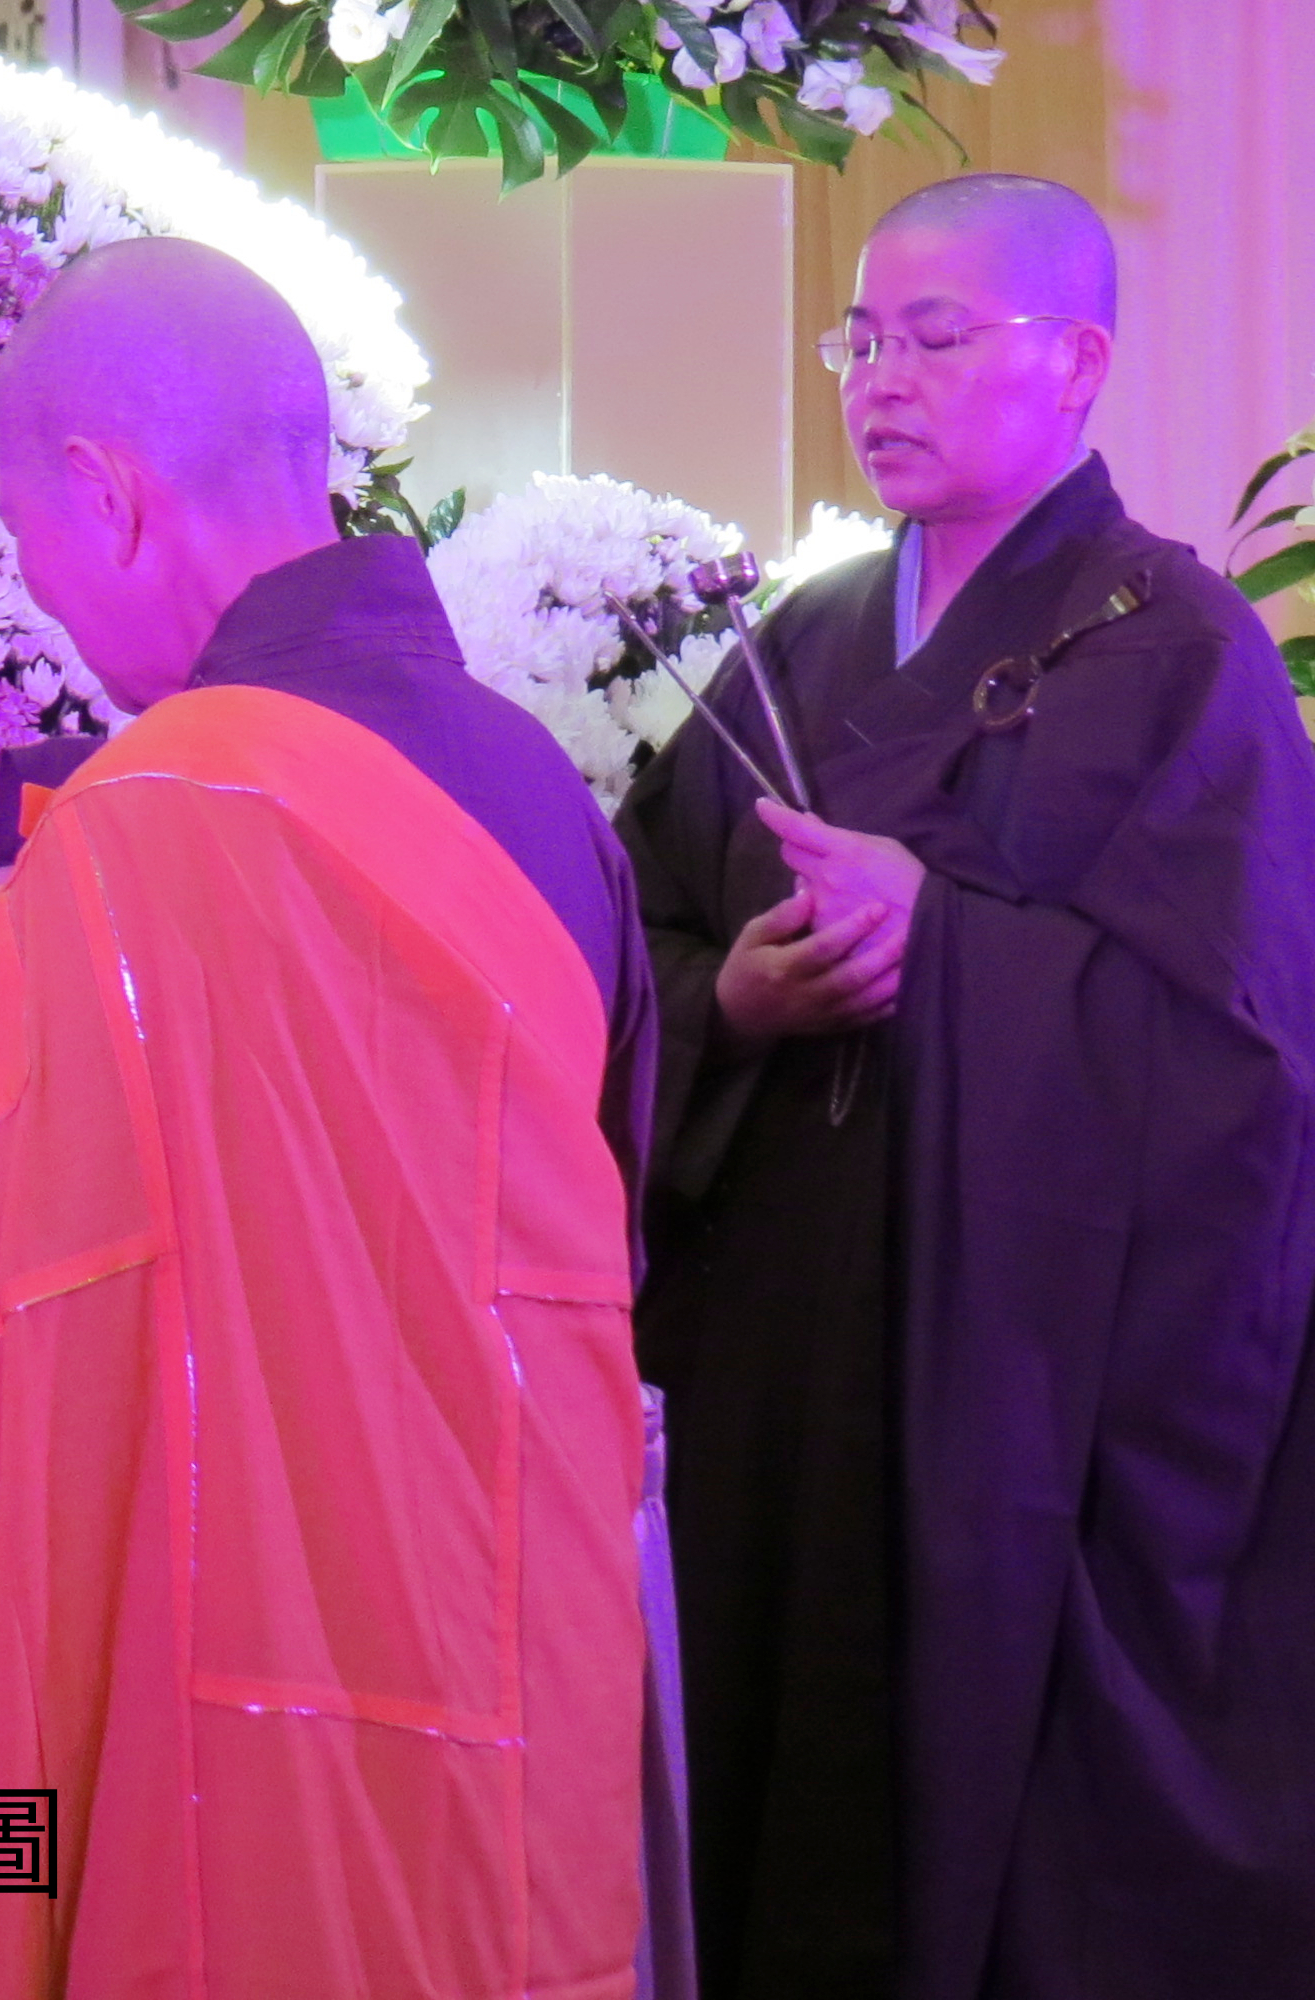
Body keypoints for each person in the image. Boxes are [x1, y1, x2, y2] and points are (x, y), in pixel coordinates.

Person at [0, 237, 684, 1999]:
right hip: (518, 1662)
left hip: (245, 1694)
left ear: (107, 494)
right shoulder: (542, 789)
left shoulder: (154, 819)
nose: (56, 620)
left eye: (35, 555)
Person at [615, 173, 1315, 2000]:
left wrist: (948, 946)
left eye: (937, 337)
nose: (884, 380)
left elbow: (1248, 1062)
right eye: (862, 340)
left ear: (1076, 363)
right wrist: (737, 1003)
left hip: (1008, 1394)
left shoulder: (1181, 655)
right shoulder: (800, 637)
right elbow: (634, 941)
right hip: (777, 1358)